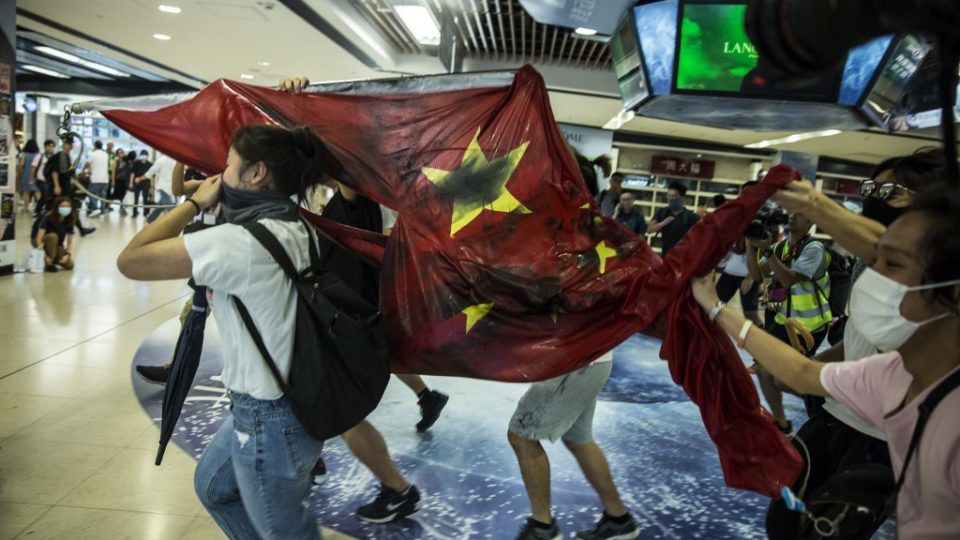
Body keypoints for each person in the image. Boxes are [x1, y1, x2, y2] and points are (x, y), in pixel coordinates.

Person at [690, 188, 960, 539]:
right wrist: (716, 308)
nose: (872, 277)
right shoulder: (889, 374)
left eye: (891, 264)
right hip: (835, 420)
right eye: (874, 260)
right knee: (788, 521)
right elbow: (804, 374)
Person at [117, 124, 342, 539]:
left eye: (228, 164)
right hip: (285, 403)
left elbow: (131, 260)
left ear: (256, 173)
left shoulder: (240, 243)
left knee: (286, 533)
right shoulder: (293, 225)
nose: (219, 174)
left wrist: (192, 202)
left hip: (268, 416)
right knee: (213, 487)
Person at [510, 157, 640, 540]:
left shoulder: (571, 238)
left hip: (577, 360)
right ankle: (619, 520)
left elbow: (548, 296)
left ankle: (542, 526)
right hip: (590, 357)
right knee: (578, 438)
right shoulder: (586, 232)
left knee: (522, 435)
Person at [747, 210, 832, 432]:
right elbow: (757, 274)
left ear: (811, 221)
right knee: (765, 370)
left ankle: (825, 401)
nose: (793, 217)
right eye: (791, 213)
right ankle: (782, 422)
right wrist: (750, 244)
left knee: (787, 377)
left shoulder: (814, 249)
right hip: (782, 321)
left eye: (800, 214)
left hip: (808, 325)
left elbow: (788, 280)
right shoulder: (782, 247)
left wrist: (767, 251)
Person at [48, 136, 96, 237]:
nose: (71, 146)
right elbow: (55, 172)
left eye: (71, 144)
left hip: (65, 187)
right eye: (69, 143)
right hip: (61, 188)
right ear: (64, 144)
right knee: (61, 209)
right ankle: (50, 230)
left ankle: (80, 230)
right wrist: (57, 186)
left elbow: (67, 173)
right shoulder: (61, 156)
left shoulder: (66, 156)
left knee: (72, 209)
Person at [648, 181, 699, 256]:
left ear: (682, 198)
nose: (671, 198)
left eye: (674, 196)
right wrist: (663, 223)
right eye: (669, 195)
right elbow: (649, 230)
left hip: (684, 256)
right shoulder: (662, 212)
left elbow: (698, 238)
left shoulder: (691, 216)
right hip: (666, 255)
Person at [34, 196, 76, 272]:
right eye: (62, 206)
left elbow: (70, 243)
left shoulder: (69, 220)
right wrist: (44, 255)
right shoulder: (48, 217)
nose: (65, 208)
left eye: (67, 206)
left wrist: (67, 255)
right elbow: (38, 239)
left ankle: (52, 259)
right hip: (42, 243)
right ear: (57, 207)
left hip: (57, 244)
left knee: (70, 265)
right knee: (53, 236)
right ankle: (49, 262)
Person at [144, 153, 178, 223]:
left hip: (164, 187)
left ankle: (149, 219)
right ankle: (175, 222)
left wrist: (141, 178)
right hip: (167, 187)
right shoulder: (176, 161)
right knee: (168, 206)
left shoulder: (161, 160)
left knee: (163, 206)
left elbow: (150, 172)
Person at [83, 141, 110, 216]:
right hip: (105, 179)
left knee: (90, 192)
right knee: (103, 194)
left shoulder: (93, 154)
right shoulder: (105, 154)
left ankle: (95, 208)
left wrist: (83, 171)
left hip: (96, 178)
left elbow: (87, 163)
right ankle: (102, 209)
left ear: (95, 146)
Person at [30, 139, 56, 217]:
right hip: (40, 179)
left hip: (50, 181)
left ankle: (39, 210)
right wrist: (31, 179)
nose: (51, 148)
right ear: (45, 147)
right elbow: (33, 168)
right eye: (49, 146)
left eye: (52, 146)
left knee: (45, 195)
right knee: (46, 193)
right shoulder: (40, 156)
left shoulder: (54, 158)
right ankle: (45, 209)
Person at [17, 139, 40, 213]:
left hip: (26, 175)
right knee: (37, 191)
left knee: (26, 192)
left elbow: (21, 164)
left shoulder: (23, 154)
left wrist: (21, 171)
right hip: (36, 175)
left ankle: (25, 208)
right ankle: (40, 207)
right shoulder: (38, 154)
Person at [130, 150, 153, 217]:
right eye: (142, 154)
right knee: (136, 199)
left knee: (145, 199)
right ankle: (134, 213)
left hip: (146, 183)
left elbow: (151, 176)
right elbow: (132, 173)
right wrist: (131, 182)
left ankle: (145, 213)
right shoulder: (136, 163)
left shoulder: (150, 164)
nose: (143, 156)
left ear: (147, 156)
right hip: (137, 182)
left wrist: (151, 187)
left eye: (145, 154)